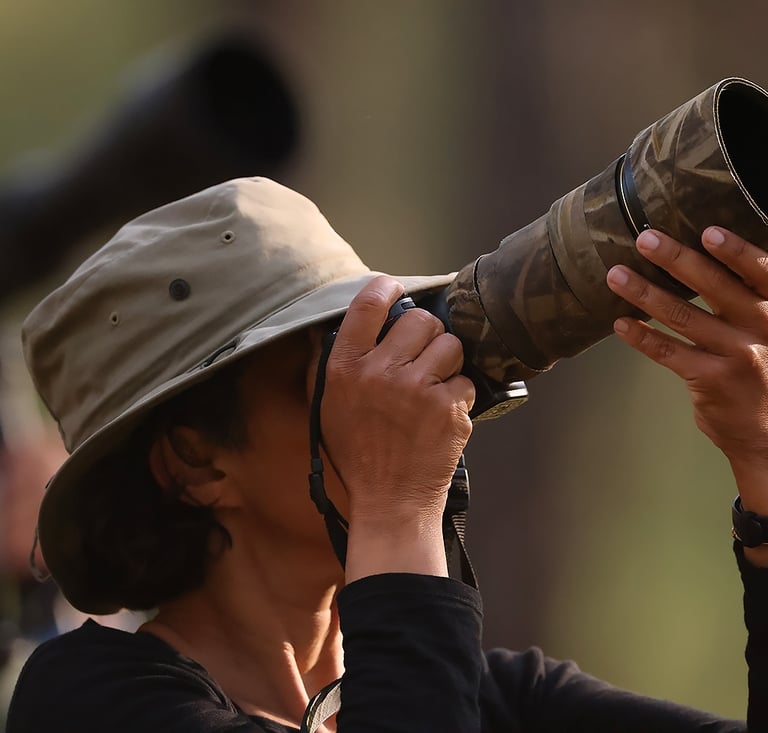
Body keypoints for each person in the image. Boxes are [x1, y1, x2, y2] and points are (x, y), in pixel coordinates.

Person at [5, 176, 768, 732]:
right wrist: (398, 506)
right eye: (329, 368)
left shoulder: (482, 699)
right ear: (195, 464)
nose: (382, 388)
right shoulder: (87, 702)